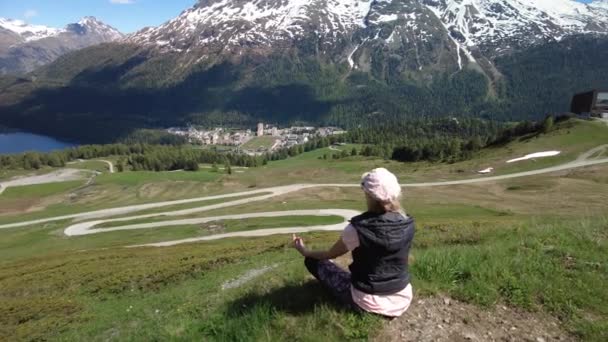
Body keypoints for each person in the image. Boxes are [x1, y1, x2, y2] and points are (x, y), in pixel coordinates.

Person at [292, 167, 415, 318]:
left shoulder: (358, 229)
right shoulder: (407, 223)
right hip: (402, 298)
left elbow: (330, 254)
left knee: (313, 261)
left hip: (367, 301)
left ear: (368, 195)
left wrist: (305, 251)